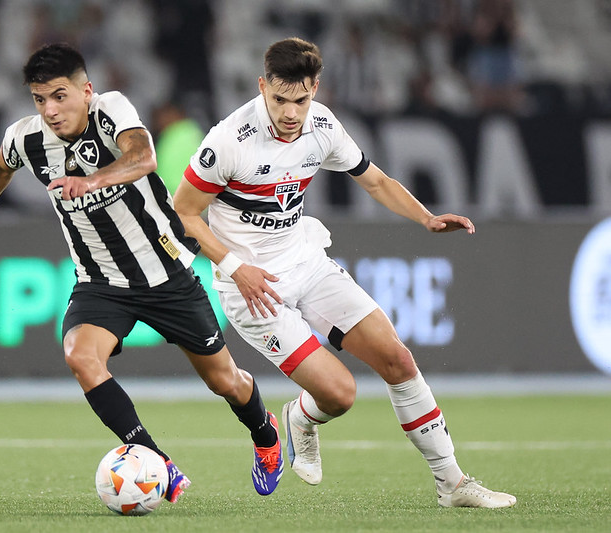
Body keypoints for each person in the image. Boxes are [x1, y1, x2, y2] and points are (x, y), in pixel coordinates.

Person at [172, 37, 516, 508]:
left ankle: (452, 484)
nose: (290, 113)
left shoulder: (323, 126)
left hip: (307, 262)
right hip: (253, 290)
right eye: (279, 99)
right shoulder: (230, 140)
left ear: (315, 87)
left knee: (398, 360)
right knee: (340, 395)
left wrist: (426, 217)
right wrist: (235, 266)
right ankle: (301, 417)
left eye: (301, 99)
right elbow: (184, 213)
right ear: (262, 87)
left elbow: (374, 179)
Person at [0, 43, 283, 501]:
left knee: (225, 380)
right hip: (100, 282)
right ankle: (157, 463)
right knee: (79, 356)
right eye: (39, 99)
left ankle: (265, 436)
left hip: (167, 273)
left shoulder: (112, 111)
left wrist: (90, 181)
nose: (50, 110)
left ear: (86, 91)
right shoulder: (25, 138)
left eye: (60, 95)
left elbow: (143, 157)